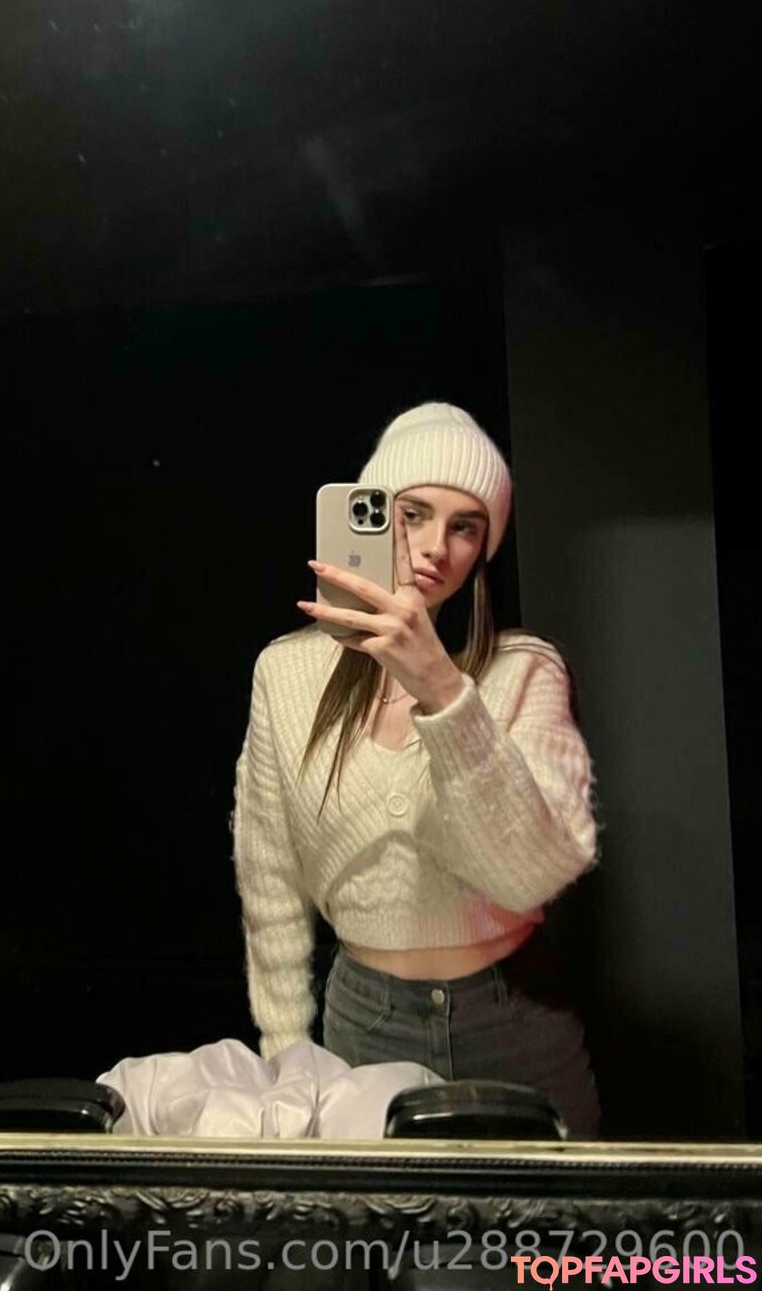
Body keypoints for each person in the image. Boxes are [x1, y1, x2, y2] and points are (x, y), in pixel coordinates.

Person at [231, 402, 601, 1139]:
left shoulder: (524, 671)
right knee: (377, 1218)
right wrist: (285, 1050)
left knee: (547, 1218)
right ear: (369, 513)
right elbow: (269, 874)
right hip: (364, 1022)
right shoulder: (287, 673)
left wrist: (443, 691)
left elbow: (532, 876)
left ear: (486, 547)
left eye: (465, 526)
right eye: (411, 515)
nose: (436, 547)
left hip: (513, 1017)